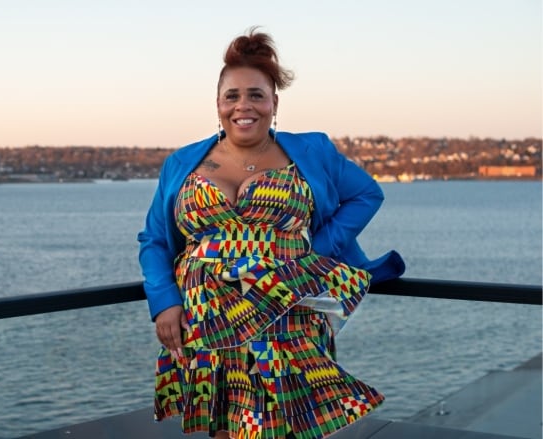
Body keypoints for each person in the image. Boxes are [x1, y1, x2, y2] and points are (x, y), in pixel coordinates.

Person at [137, 27, 405, 439]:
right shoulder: (182, 163)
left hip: (285, 314)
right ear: (218, 104)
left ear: (274, 102)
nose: (244, 106)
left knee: (285, 428)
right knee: (226, 428)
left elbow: (367, 194)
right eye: (233, 96)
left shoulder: (311, 151)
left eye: (256, 94)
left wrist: (316, 250)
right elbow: (155, 239)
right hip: (206, 321)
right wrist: (164, 301)